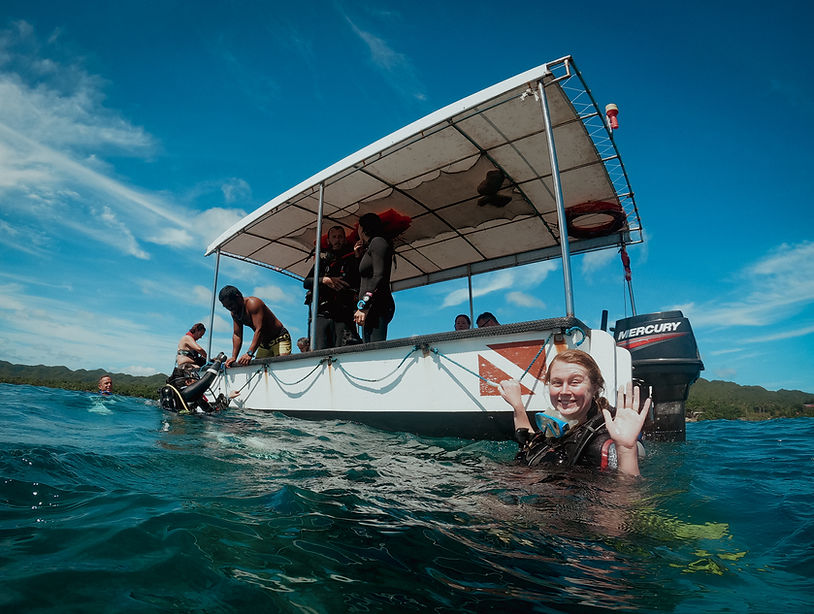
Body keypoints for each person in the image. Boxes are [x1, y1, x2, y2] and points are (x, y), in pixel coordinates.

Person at [498, 349, 649, 476]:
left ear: (595, 386)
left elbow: (625, 503)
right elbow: (531, 443)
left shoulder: (605, 445)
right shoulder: (558, 426)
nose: (564, 391)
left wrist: (626, 449)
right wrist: (518, 405)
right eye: (557, 383)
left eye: (575, 382)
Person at [303, 225, 362, 350]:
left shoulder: (352, 259)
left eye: (340, 237)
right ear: (328, 240)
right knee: (320, 353)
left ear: (345, 240)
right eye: (334, 237)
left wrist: (358, 257)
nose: (337, 240)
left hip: (343, 314)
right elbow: (306, 282)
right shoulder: (323, 263)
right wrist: (324, 280)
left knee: (344, 352)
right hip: (322, 314)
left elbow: (359, 280)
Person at [218, 285, 291, 367]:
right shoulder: (234, 313)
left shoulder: (253, 304)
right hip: (264, 343)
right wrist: (234, 357)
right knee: (258, 369)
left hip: (280, 338)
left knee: (282, 366)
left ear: (238, 297)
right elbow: (237, 335)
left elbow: (259, 329)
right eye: (226, 307)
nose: (229, 308)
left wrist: (249, 353)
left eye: (231, 304)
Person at [354, 213, 396, 342]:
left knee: (375, 350)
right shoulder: (371, 246)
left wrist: (363, 305)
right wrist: (358, 256)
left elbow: (379, 277)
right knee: (368, 347)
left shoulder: (378, 242)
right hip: (371, 306)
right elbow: (365, 277)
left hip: (377, 305)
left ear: (362, 228)